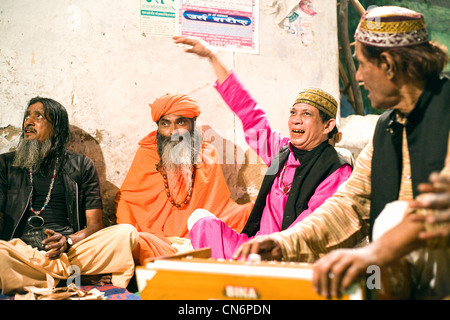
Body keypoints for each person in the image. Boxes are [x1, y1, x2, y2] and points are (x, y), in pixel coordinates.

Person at [233, 6, 450, 299]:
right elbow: (351, 203)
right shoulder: (388, 129)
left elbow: (439, 209)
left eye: (361, 64)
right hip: (391, 278)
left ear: (387, 64)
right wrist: (285, 242)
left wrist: (374, 252)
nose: (358, 76)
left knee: (392, 218)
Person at [173, 36, 353, 259]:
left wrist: (277, 247)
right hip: (253, 249)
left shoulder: (337, 169)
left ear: (328, 125)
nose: (296, 120)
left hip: (288, 255)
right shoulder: (281, 151)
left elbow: (314, 222)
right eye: (293, 113)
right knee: (200, 219)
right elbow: (249, 113)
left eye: (306, 114)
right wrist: (213, 57)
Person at [0, 97, 138, 295]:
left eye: (38, 116)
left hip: (70, 251)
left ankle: (50, 277)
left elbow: (94, 226)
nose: (28, 122)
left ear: (56, 127)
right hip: (21, 251)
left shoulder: (81, 165)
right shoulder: (5, 164)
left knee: (126, 233)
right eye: (27, 116)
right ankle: (72, 277)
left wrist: (68, 241)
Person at [114, 93, 253, 265]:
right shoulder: (147, 153)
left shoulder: (207, 154)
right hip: (157, 239)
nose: (173, 131)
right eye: (165, 124)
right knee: (131, 239)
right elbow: (128, 200)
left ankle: (196, 250)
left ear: (192, 125)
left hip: (198, 231)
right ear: (158, 126)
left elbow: (219, 205)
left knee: (250, 213)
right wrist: (129, 235)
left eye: (180, 122)